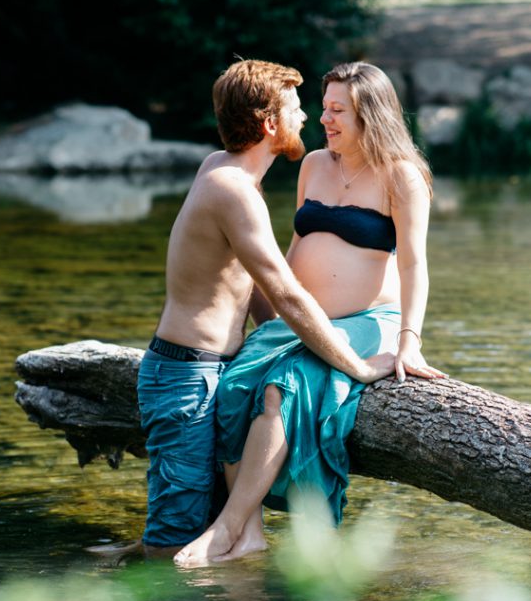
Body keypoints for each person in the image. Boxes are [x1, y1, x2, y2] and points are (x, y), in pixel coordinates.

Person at [90, 59, 394, 560]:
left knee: (192, 518)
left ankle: (149, 575)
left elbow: (249, 281)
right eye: (296, 109)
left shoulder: (224, 170)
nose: (308, 119)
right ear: (270, 124)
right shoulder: (232, 190)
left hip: (205, 370)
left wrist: (280, 345)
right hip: (187, 377)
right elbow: (287, 292)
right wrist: (355, 365)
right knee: (175, 541)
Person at [173, 61, 446, 567]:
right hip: (301, 322)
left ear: (372, 114)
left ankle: (224, 529)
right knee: (233, 386)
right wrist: (271, 327)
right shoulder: (315, 165)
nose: (326, 119)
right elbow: (295, 247)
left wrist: (410, 340)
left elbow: (414, 263)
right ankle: (250, 534)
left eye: (339, 110)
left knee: (284, 387)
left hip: (368, 321)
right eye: (324, 108)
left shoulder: (402, 176)